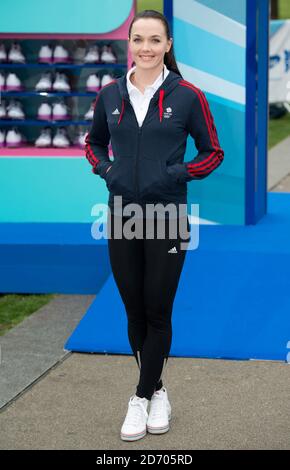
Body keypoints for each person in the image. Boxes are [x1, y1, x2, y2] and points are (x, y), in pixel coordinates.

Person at [85, 9, 224, 442]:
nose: (145, 47)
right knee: (134, 311)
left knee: (157, 309)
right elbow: (94, 144)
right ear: (129, 43)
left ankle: (141, 398)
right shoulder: (110, 95)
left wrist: (174, 175)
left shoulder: (187, 96)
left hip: (167, 215)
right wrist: (108, 172)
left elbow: (212, 152)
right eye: (138, 39)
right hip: (121, 213)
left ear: (167, 46)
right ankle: (159, 389)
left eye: (154, 40)